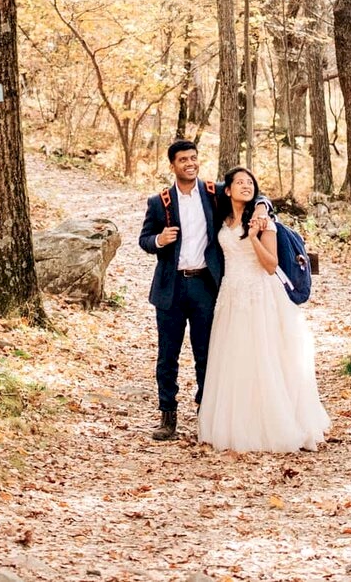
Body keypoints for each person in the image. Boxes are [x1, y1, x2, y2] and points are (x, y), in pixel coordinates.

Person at [197, 166, 330, 453]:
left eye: (250, 182)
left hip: (259, 295)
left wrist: (255, 236)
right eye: (239, 182)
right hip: (231, 295)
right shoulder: (223, 217)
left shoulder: (262, 220)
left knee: (263, 358)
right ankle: (235, 425)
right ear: (228, 189)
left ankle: (270, 426)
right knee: (233, 359)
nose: (246, 185)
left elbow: (270, 265)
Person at [137, 138, 225, 441]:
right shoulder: (158, 202)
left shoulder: (214, 194)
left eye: (193, 158)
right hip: (171, 287)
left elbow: (249, 190)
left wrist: (264, 208)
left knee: (206, 353)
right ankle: (167, 416)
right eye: (183, 160)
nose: (190, 164)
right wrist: (159, 240)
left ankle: (206, 414)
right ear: (172, 165)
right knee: (167, 354)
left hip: (204, 285)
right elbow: (144, 239)